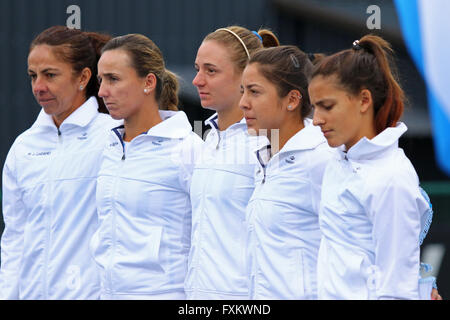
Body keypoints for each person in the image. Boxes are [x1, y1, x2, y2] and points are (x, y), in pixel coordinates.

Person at [308, 35, 438, 300]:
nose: (316, 120)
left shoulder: (391, 176)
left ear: (364, 100)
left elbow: (397, 288)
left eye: (327, 106)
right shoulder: (337, 158)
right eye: (314, 108)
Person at [0, 26, 115, 299]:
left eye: (50, 75)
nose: (38, 87)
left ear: (84, 77)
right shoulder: (24, 147)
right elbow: (15, 236)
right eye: (32, 76)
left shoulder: (113, 136)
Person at [91, 33, 203, 299]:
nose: (102, 91)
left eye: (113, 79)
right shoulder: (108, 147)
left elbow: (208, 240)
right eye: (101, 80)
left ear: (148, 82)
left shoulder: (188, 149)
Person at [184, 26, 279, 299]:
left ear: (246, 77)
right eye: (197, 68)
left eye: (211, 71)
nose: (197, 80)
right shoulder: (207, 141)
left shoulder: (267, 144)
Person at [239, 45, 333, 299]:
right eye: (242, 91)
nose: (243, 103)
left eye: (254, 92)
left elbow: (373, 224)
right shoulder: (264, 157)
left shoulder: (320, 157)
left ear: (292, 99)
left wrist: (420, 278)